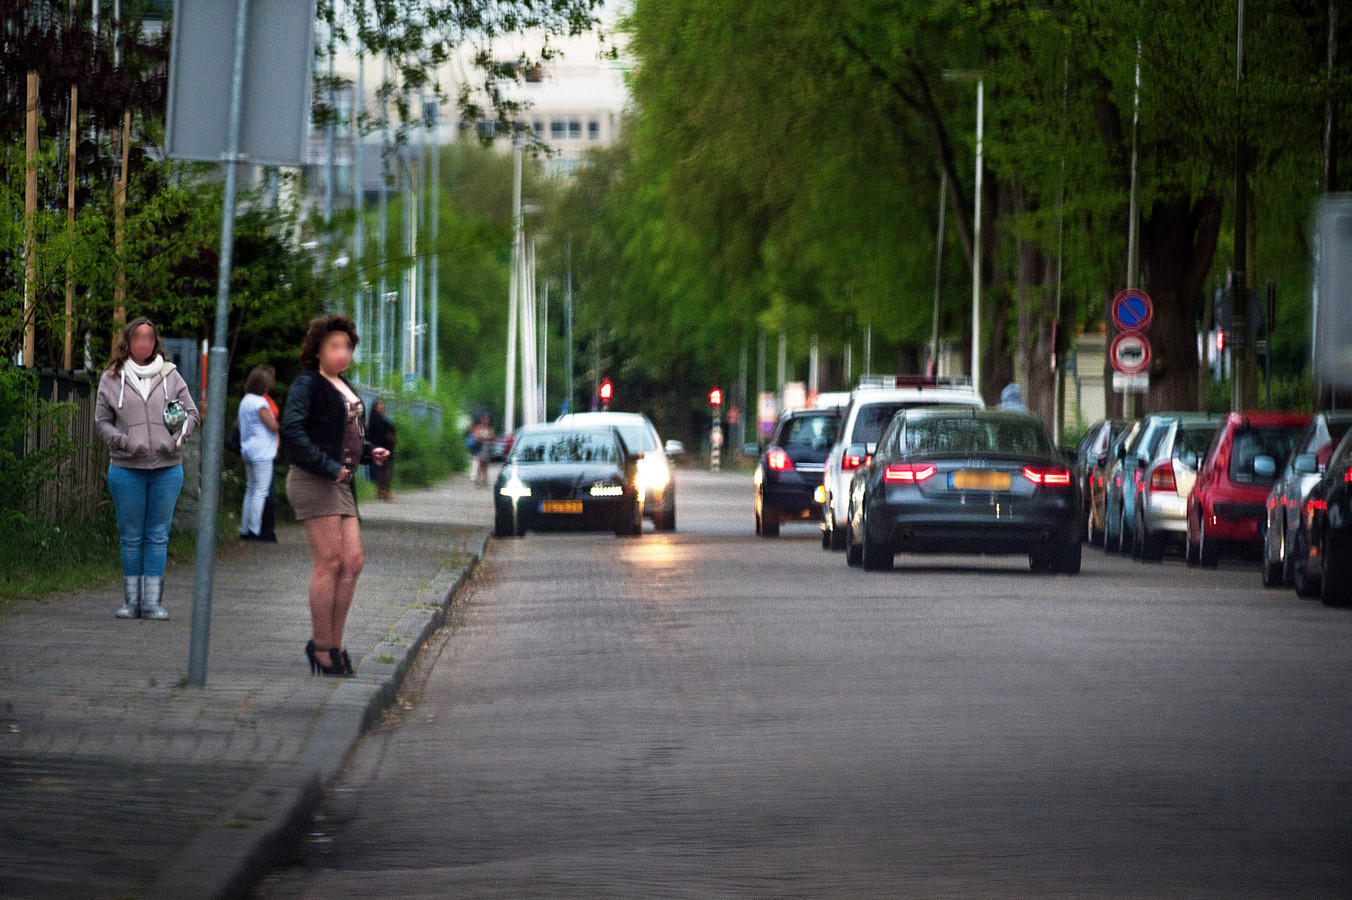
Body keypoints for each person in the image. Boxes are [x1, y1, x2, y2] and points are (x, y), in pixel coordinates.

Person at [281, 314, 389, 677]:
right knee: (329, 561)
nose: (343, 353)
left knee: (352, 561)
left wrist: (369, 450)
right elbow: (293, 431)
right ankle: (323, 648)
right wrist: (327, 466)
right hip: (315, 479)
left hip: (342, 483)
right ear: (317, 350)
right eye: (334, 346)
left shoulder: (343, 384)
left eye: (347, 347)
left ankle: (334, 644)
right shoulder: (307, 384)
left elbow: (347, 433)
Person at [94, 317, 200, 620]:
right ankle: (131, 603)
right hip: (126, 468)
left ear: (156, 343)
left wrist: (177, 437)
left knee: (157, 534)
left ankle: (152, 603)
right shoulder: (112, 378)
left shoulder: (171, 376)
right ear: (127, 342)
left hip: (167, 468)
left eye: (149, 338)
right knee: (131, 536)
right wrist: (125, 442)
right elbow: (101, 422)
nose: (144, 343)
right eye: (138, 337)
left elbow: (192, 414)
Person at [238, 365, 279, 541]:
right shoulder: (260, 403)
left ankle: (245, 528)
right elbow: (272, 425)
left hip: (248, 449)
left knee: (251, 490)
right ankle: (255, 529)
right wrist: (277, 426)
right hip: (262, 452)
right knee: (261, 491)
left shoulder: (245, 400)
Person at [366, 399, 397, 501]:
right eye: (379, 405)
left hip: (385, 447)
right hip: (380, 447)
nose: (381, 406)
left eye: (382, 405)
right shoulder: (377, 421)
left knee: (384, 469)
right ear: (375, 407)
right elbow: (370, 435)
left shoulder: (380, 420)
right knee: (384, 470)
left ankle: (382, 490)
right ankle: (384, 491)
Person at [471, 413, 495, 487]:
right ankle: (479, 480)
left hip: (487, 448)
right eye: (485, 419)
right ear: (482, 420)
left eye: (487, 419)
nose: (486, 421)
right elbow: (476, 436)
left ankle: (484, 479)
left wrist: (486, 438)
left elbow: (492, 437)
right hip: (481, 448)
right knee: (481, 463)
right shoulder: (479, 428)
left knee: (485, 464)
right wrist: (485, 438)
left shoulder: (489, 429)